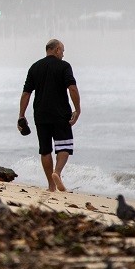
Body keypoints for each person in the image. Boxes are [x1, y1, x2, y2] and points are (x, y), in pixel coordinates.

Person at [19, 38, 80, 192]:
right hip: (60, 113)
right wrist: (77, 109)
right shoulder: (64, 66)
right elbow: (72, 88)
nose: (63, 55)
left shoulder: (35, 67)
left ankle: (51, 185)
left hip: (41, 114)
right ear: (57, 49)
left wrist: (21, 115)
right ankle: (57, 173)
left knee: (45, 150)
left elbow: (26, 93)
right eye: (63, 51)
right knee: (64, 146)